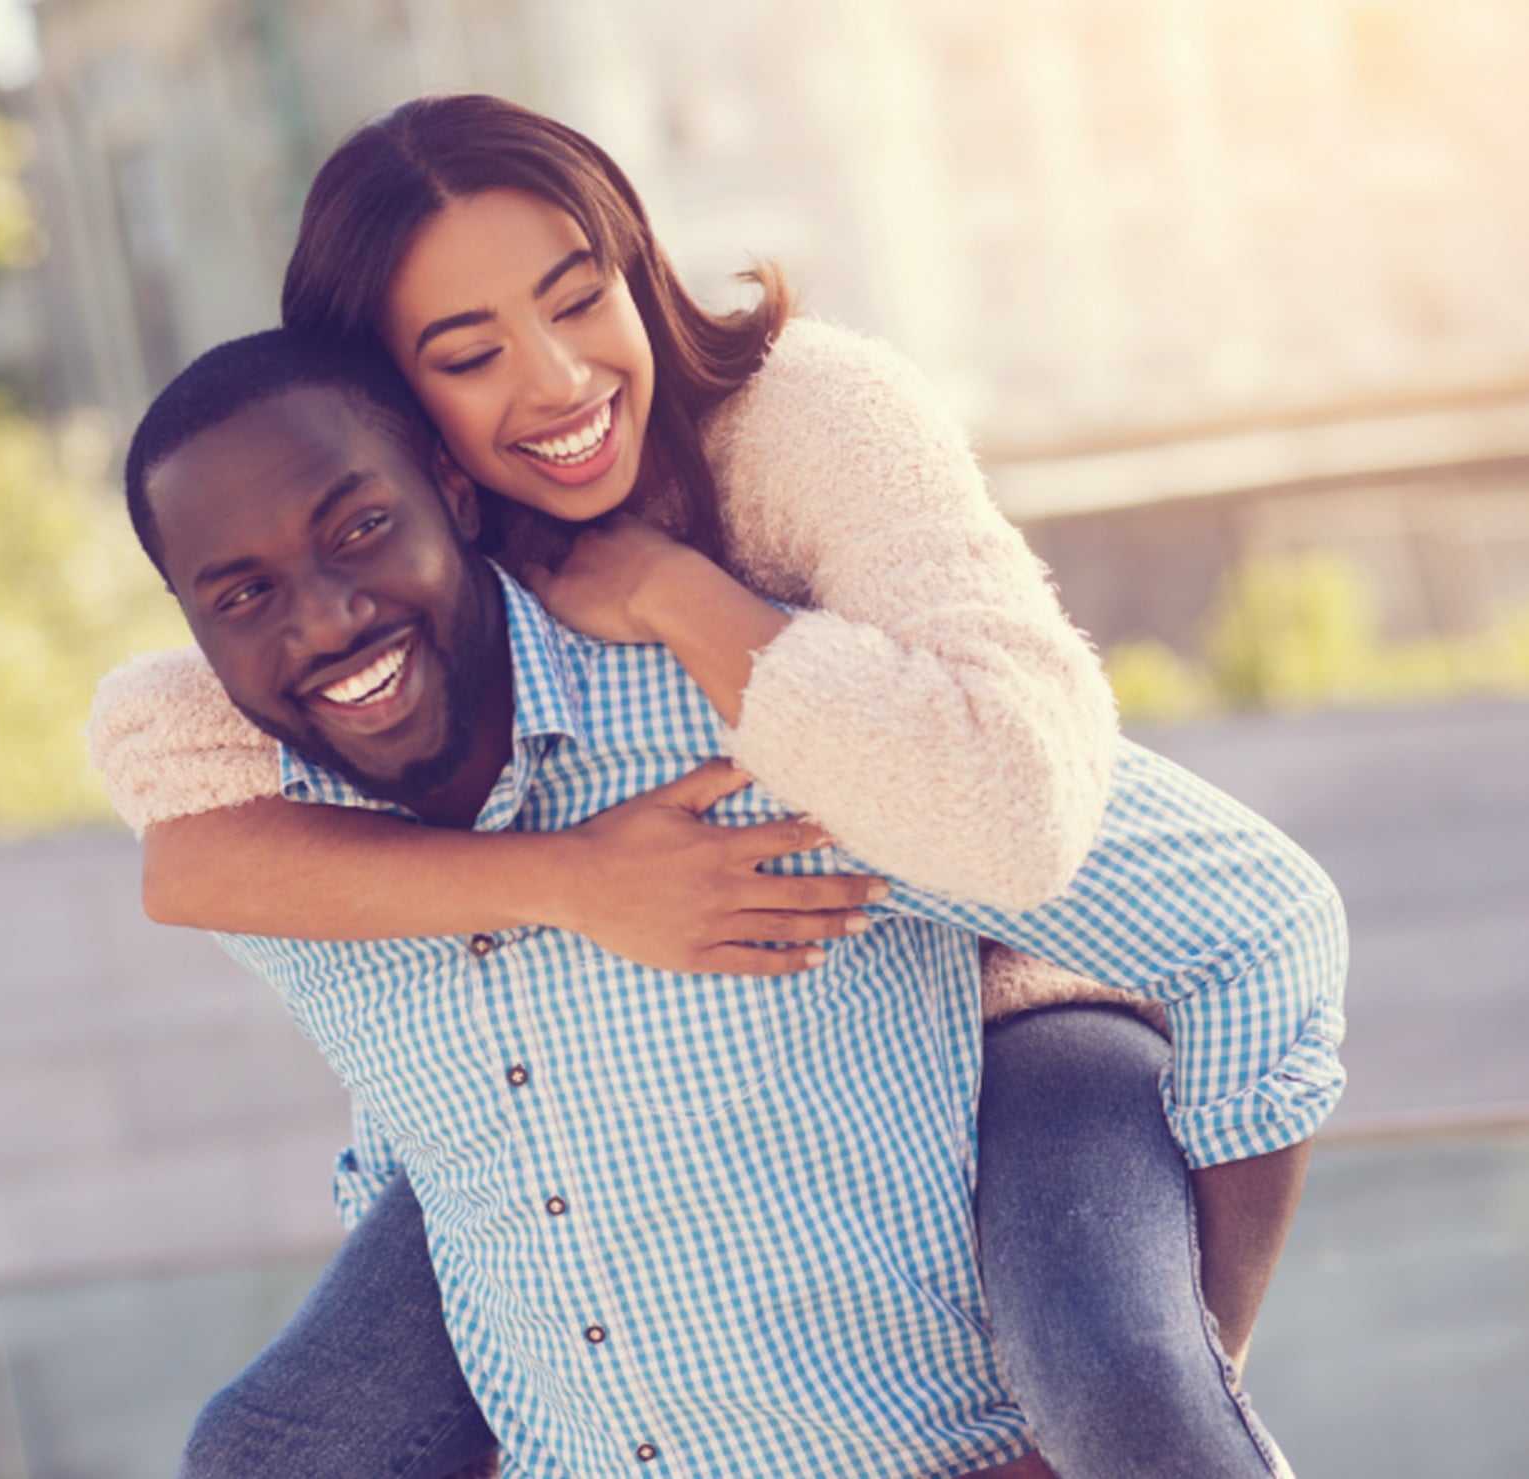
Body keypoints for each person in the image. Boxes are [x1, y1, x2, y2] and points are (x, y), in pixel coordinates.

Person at [86, 95, 1328, 1476]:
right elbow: (190, 847)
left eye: (575, 299)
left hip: (1015, 967)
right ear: (393, 406)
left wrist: (690, 606)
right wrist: (569, 881)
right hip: (619, 1115)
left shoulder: (795, 438)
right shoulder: (320, 686)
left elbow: (1042, 823)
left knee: (1120, 1373)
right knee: (267, 1452)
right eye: (468, 350)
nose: (556, 382)